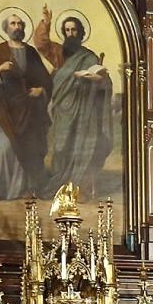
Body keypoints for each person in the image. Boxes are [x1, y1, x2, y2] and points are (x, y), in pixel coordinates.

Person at [37, 13, 116, 196]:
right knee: (61, 146)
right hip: (62, 108)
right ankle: (60, 184)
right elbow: (42, 44)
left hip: (83, 110)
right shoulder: (59, 52)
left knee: (81, 145)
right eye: (67, 30)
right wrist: (46, 23)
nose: (70, 33)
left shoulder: (88, 56)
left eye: (74, 30)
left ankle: (79, 186)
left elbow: (104, 79)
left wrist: (98, 79)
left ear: (80, 33)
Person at [0, 12, 53, 199]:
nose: (17, 27)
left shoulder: (30, 52)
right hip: (6, 109)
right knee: (5, 148)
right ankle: (0, 189)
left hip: (28, 108)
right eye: (13, 24)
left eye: (20, 24)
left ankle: (26, 189)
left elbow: (45, 79)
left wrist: (41, 91)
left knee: (28, 147)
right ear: (6, 28)